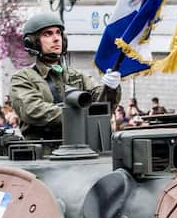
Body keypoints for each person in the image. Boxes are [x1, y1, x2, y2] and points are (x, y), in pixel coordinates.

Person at [10, 10, 121, 141]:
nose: (56, 38)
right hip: (44, 149)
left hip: (82, 147)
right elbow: (32, 110)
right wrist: (81, 113)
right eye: (48, 34)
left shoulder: (78, 76)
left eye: (58, 33)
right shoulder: (23, 78)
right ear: (33, 42)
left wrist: (111, 88)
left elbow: (102, 104)